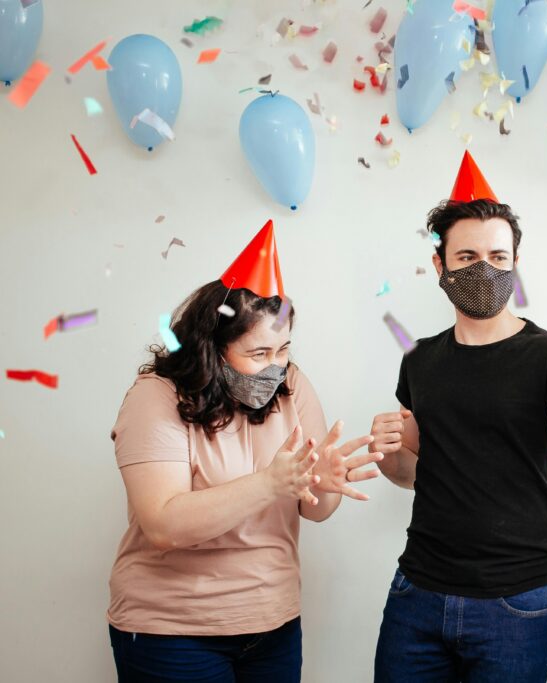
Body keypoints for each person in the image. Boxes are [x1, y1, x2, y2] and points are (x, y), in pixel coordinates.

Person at [369, 151, 547, 682]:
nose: (485, 269)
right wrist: (389, 455)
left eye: (500, 258)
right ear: (440, 265)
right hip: (417, 593)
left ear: (515, 263)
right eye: (468, 256)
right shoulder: (419, 359)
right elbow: (414, 473)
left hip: (516, 603)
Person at [107, 221, 382, 682]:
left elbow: (314, 511)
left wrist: (324, 485)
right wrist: (269, 483)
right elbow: (162, 525)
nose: (275, 367)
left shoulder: (293, 385)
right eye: (258, 354)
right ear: (212, 347)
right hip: (172, 633)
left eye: (284, 349)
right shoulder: (156, 397)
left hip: (273, 625)